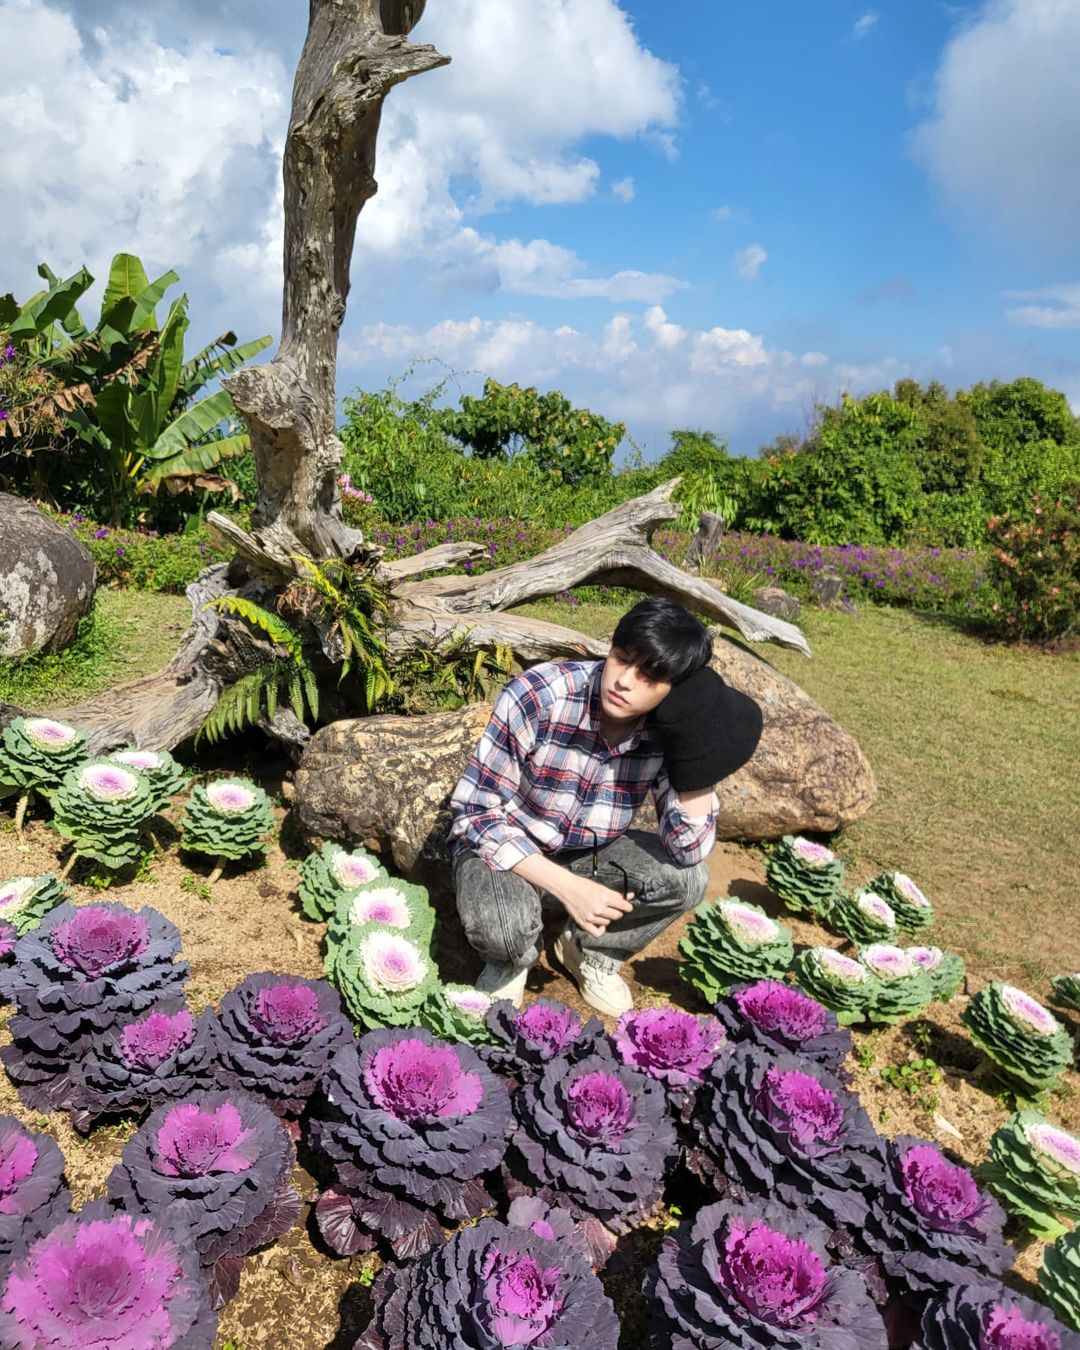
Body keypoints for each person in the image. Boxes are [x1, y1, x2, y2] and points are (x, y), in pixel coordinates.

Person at [447, 596, 764, 1016]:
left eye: (649, 676)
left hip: (587, 855)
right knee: (504, 930)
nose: (625, 681)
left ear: (673, 690)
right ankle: (509, 962)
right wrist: (569, 888)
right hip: (503, 849)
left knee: (687, 879)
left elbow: (688, 849)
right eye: (622, 658)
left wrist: (699, 761)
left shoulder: (668, 729)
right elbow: (474, 813)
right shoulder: (542, 694)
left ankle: (587, 951)